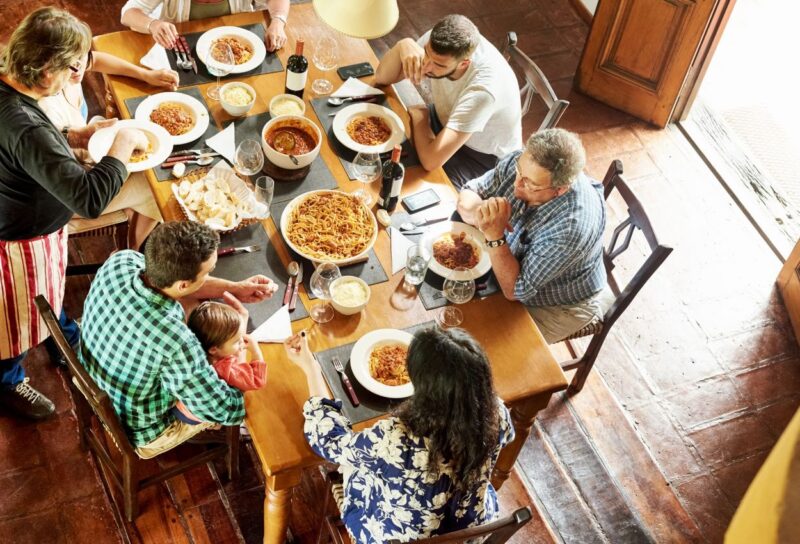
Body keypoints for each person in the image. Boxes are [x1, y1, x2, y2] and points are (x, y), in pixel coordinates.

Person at [0, 7, 148, 420]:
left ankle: (60, 332)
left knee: (45, 295)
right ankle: (7, 381)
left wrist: (72, 136)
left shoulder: (11, 86)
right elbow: (90, 200)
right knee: (11, 324)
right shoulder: (24, 123)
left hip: (32, 228)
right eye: (71, 70)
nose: (74, 80)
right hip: (17, 242)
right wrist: (123, 142)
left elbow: (28, 146)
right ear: (47, 70)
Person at [290, 327, 514, 543]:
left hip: (398, 535)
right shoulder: (496, 412)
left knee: (351, 465)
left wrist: (311, 367)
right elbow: (509, 437)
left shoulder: (396, 439)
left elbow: (328, 440)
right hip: (469, 530)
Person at [78, 221, 278, 458]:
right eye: (208, 273)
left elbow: (175, 287)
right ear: (184, 283)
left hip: (92, 375)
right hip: (142, 431)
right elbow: (226, 407)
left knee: (196, 318)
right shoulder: (177, 342)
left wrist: (236, 288)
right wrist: (240, 345)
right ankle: (213, 433)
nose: (210, 276)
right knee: (259, 397)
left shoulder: (121, 261)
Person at [457, 128, 614, 344]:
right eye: (519, 171)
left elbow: (514, 290)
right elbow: (470, 191)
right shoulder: (525, 163)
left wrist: (494, 234)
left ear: (559, 189)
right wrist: (481, 215)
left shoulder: (569, 229)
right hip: (514, 263)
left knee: (483, 346)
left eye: (530, 183)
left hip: (559, 305)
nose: (517, 184)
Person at [39, 50, 179, 250]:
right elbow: (82, 193)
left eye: (82, 55)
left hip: (85, 164)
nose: (79, 66)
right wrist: (86, 139)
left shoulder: (71, 65)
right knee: (156, 182)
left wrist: (145, 75)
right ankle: (131, 250)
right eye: (71, 61)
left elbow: (96, 59)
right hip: (70, 199)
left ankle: (133, 217)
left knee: (142, 153)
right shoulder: (45, 110)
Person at [375, 14, 522, 188]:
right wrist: (403, 45)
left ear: (464, 64)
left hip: (479, 157)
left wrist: (421, 119)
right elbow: (382, 77)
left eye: (439, 65)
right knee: (380, 148)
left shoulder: (483, 91)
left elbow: (430, 161)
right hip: (444, 120)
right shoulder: (438, 42)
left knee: (411, 184)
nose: (427, 66)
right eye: (426, 54)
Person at [172, 301, 267, 425]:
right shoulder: (224, 367)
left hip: (181, 404)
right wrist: (256, 350)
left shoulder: (198, 349)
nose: (242, 343)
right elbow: (257, 380)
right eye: (237, 342)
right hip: (191, 416)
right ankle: (213, 428)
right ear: (214, 349)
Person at [120, 0, 290, 52]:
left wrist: (278, 21)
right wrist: (153, 24)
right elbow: (128, 13)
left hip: (236, 51)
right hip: (183, 52)